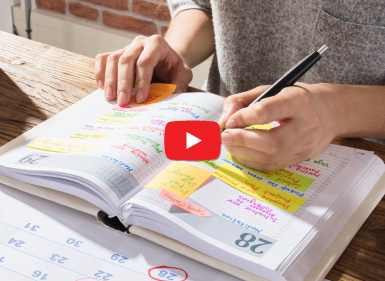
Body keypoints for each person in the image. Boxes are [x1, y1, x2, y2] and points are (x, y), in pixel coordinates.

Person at [94, 0, 385, 171]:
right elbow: (203, 5)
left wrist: (338, 110)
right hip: (223, 134)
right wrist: (177, 49)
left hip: (364, 168)